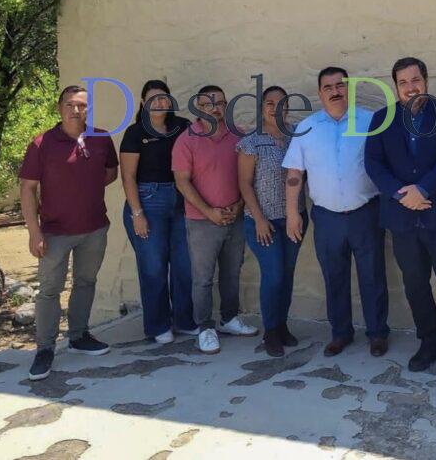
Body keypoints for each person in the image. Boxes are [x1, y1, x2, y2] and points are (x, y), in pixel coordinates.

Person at [364, 57, 436, 376]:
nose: (410, 87)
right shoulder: (382, 119)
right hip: (402, 221)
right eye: (403, 82)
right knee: (415, 285)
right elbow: (373, 163)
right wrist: (402, 195)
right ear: (395, 86)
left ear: (426, 80)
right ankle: (430, 342)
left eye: (415, 80)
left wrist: (422, 189)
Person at [283, 67, 388, 358]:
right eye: (328, 86)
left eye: (340, 85)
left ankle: (377, 333)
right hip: (326, 217)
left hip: (366, 213)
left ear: (349, 89)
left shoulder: (370, 121)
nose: (335, 91)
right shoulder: (307, 128)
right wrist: (293, 213)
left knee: (373, 276)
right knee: (334, 277)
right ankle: (340, 333)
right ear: (320, 93)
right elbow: (294, 174)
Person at [22, 85, 119, 381]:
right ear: (59, 108)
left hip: (94, 228)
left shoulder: (101, 138)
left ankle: (79, 336)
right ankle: (45, 349)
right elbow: (28, 188)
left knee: (86, 282)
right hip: (54, 233)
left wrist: (83, 189)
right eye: (69, 105)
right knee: (50, 290)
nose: (75, 110)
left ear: (88, 109)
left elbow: (111, 172)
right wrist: (34, 231)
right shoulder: (42, 144)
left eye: (81, 105)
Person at [172, 85, 256, 354]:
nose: (214, 108)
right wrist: (209, 211)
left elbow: (247, 176)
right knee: (203, 278)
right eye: (208, 104)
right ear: (198, 107)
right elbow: (182, 182)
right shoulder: (186, 139)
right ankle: (205, 328)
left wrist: (240, 205)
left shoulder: (238, 136)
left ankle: (229, 319)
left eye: (219, 103)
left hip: (235, 217)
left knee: (232, 272)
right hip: (201, 219)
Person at [120, 79, 196, 345]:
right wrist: (137, 214)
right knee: (153, 267)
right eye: (153, 98)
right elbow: (128, 177)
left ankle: (185, 320)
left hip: (181, 200)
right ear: (143, 103)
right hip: (147, 201)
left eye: (163, 97)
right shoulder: (135, 132)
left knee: (185, 265)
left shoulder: (183, 127)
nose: (159, 102)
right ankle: (158, 325)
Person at [238, 86, 307, 357]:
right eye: (269, 103)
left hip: (293, 219)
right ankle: (270, 331)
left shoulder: (297, 137)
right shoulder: (251, 142)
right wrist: (259, 219)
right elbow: (244, 184)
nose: (275, 108)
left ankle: (282, 326)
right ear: (261, 107)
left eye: (281, 104)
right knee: (274, 274)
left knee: (287, 275)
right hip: (262, 221)